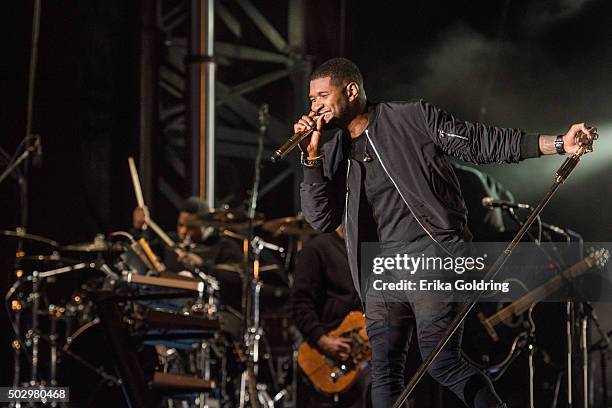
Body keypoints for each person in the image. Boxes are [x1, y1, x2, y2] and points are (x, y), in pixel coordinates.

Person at [295, 57, 597, 408]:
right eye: (311, 99)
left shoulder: (410, 118)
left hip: (432, 254)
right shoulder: (332, 155)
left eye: (321, 96)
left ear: (351, 91)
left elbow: (482, 142)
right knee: (384, 372)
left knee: (441, 361)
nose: (314, 107)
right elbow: (319, 219)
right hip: (380, 272)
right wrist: (311, 160)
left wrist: (559, 143)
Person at [291, 226, 371, 407]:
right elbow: (299, 304)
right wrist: (322, 340)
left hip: (365, 355)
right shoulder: (316, 249)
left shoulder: (370, 250)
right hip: (326, 353)